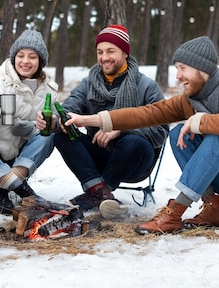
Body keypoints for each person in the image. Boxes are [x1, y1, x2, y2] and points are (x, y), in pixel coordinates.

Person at [64, 35, 219, 234]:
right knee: (179, 132)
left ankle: (174, 212)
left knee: (218, 138)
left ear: (202, 69)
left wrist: (198, 121)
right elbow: (145, 114)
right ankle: (212, 208)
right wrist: (89, 120)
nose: (178, 76)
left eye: (183, 68)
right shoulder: (190, 98)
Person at [53, 24, 169, 218]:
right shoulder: (89, 83)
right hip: (99, 154)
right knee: (60, 133)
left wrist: (122, 129)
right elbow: (69, 108)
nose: (104, 57)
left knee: (132, 141)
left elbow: (161, 130)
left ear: (124, 52)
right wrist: (56, 119)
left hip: (135, 159)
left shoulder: (146, 86)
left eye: (110, 51)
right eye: (100, 52)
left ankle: (95, 194)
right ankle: (100, 192)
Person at [0, 29, 58, 215]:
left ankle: (7, 185)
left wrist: (37, 127)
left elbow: (51, 119)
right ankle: (23, 191)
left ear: (40, 61)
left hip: (20, 152)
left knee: (48, 135)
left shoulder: (48, 89)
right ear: (13, 58)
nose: (25, 61)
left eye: (32, 57)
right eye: (21, 55)